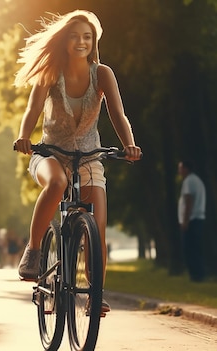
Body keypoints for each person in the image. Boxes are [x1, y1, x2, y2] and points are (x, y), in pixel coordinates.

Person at [12, 10, 142, 314]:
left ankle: (95, 296)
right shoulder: (49, 72)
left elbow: (117, 114)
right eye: (74, 36)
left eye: (87, 37)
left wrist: (129, 145)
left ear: (93, 41)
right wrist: (23, 136)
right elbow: (32, 110)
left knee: (97, 227)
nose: (81, 41)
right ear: (64, 41)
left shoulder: (103, 74)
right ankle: (33, 251)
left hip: (89, 156)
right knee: (56, 183)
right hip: (49, 153)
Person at [177, 160, 207, 282]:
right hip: (198, 218)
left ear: (186, 168)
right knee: (196, 248)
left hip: (192, 219)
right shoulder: (197, 180)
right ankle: (199, 274)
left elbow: (189, 201)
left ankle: (195, 276)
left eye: (180, 168)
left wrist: (185, 221)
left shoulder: (188, 181)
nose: (179, 171)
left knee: (190, 249)